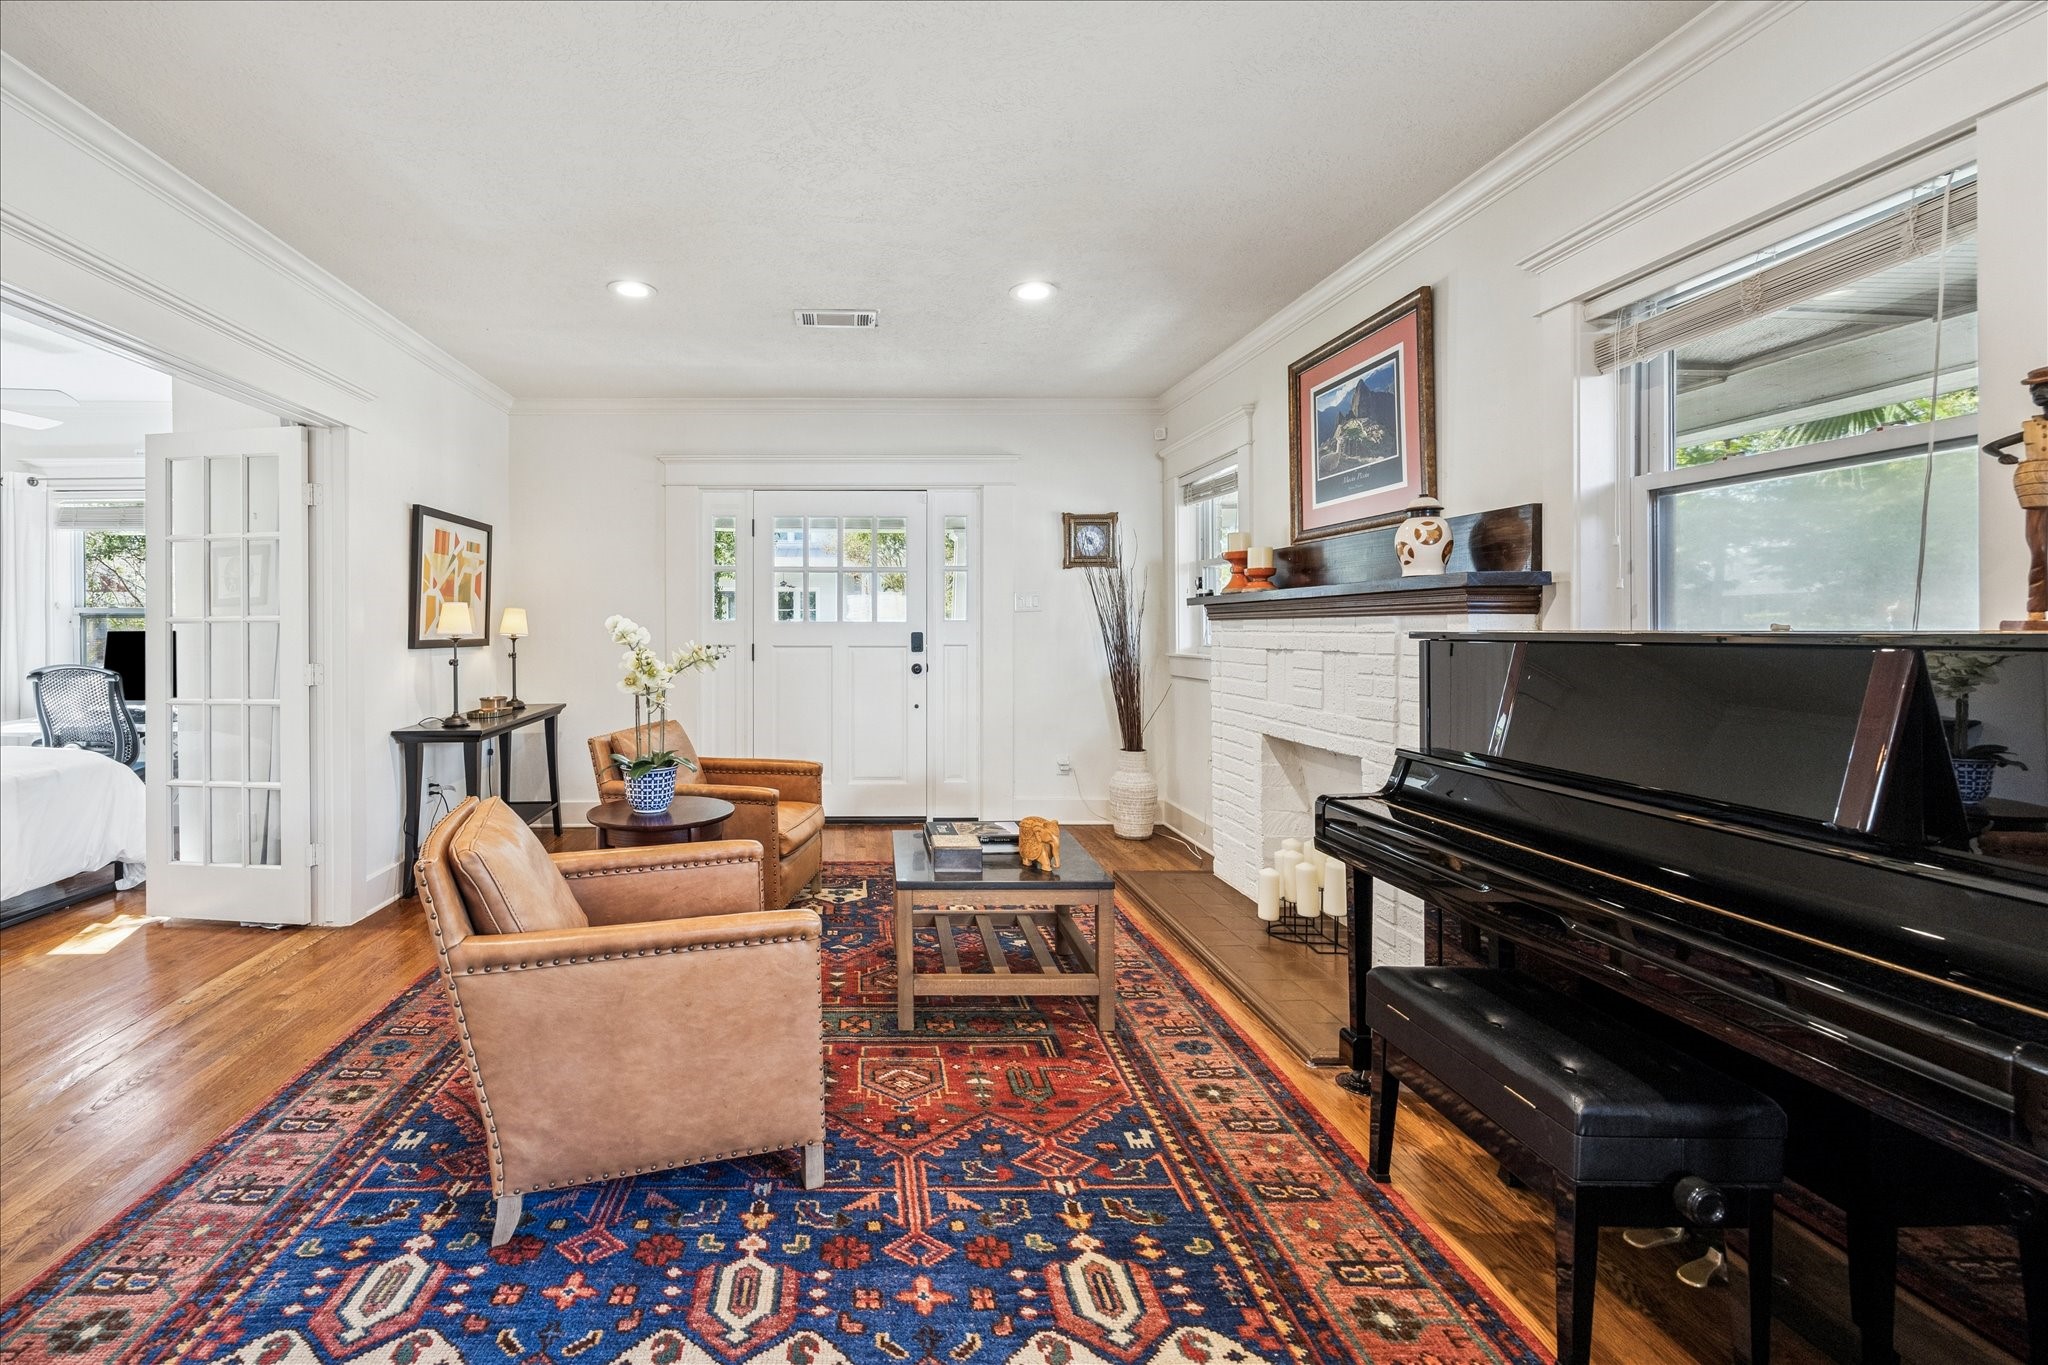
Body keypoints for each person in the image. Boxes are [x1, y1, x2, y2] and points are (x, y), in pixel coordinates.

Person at [1982, 366, 2048, 628]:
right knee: (2038, 550)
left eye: (2045, 387)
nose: (2040, 393)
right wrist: (2002, 456)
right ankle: (2036, 610)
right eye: (2035, 389)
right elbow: (1991, 446)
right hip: (2035, 490)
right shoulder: (2031, 428)